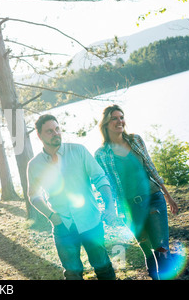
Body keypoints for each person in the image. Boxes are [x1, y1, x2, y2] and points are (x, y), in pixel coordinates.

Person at [27, 114, 117, 280]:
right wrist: (53, 217)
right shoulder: (34, 165)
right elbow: (34, 196)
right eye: (49, 131)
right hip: (63, 227)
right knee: (72, 273)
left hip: (91, 220)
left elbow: (100, 178)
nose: (56, 133)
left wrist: (109, 206)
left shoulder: (79, 150)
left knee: (103, 267)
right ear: (39, 136)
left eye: (57, 129)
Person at [95, 104, 179, 280]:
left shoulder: (135, 140)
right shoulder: (102, 154)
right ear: (105, 124)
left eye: (121, 117)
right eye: (114, 118)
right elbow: (106, 184)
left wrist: (168, 196)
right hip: (129, 208)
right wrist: (111, 209)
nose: (120, 121)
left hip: (153, 198)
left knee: (161, 249)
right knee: (148, 252)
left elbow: (151, 168)